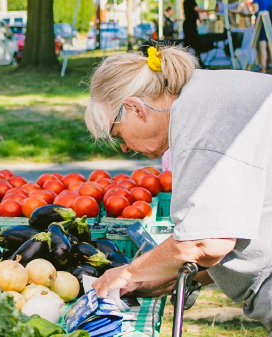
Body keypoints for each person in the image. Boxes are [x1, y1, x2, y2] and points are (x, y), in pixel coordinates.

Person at [84, 46, 272, 332]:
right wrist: (170, 275)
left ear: (135, 108)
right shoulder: (205, 95)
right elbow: (244, 223)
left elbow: (206, 242)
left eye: (118, 134)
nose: (123, 147)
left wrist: (128, 273)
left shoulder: (196, 119)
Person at [183, 0, 210, 67]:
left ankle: (198, 62)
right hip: (190, 26)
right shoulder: (189, 1)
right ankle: (198, 62)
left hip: (191, 25)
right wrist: (209, 10)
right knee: (191, 44)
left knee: (191, 45)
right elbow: (198, 9)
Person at [252, 0, 272, 73]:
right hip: (269, 22)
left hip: (260, 22)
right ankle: (269, 64)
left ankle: (262, 67)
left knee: (261, 44)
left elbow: (256, 9)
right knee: (269, 43)